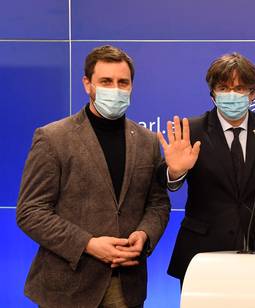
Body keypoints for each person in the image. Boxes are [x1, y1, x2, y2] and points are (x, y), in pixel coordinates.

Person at [16, 45, 170, 308]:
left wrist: (144, 235)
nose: (116, 89)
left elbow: (158, 204)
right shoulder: (53, 138)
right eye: (106, 81)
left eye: (123, 82)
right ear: (87, 84)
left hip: (126, 287)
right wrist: (87, 244)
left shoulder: (146, 141)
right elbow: (30, 211)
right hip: (67, 288)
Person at [157, 52, 255, 284]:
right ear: (213, 93)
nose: (231, 95)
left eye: (240, 88)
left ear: (252, 94)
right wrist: (175, 172)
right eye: (224, 87)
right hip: (201, 255)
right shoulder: (191, 130)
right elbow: (164, 179)